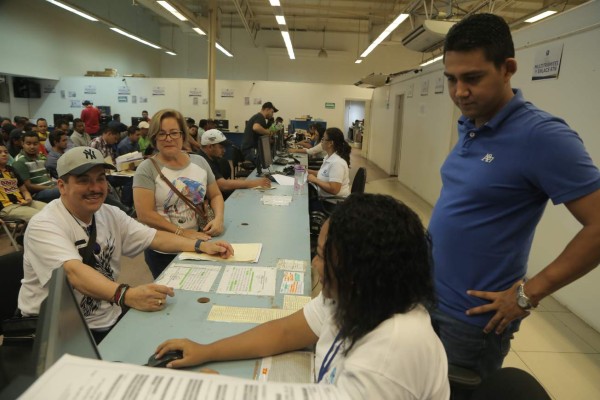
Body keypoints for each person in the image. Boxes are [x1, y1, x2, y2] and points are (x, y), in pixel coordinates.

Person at [427, 13, 600, 380]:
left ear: (508, 69)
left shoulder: (543, 136)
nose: (460, 92)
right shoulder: (471, 123)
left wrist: (529, 293)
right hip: (430, 301)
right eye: (451, 80)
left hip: (471, 324)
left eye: (472, 78)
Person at [155, 193, 450, 399]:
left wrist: (226, 392)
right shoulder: (358, 293)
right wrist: (207, 350)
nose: (314, 265)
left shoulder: (391, 352)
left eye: (321, 256)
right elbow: (283, 332)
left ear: (358, 271)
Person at [17, 146, 234, 343]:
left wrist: (198, 245)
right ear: (62, 186)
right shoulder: (44, 225)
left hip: (105, 317)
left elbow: (153, 237)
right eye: (84, 180)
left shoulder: (109, 213)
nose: (95, 187)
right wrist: (127, 295)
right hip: (59, 331)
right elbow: (74, 273)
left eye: (100, 178)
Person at [133, 109, 226, 278]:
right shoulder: (146, 169)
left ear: (183, 135)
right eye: (162, 134)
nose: (168, 138)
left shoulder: (199, 162)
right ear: (154, 137)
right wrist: (181, 233)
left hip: (199, 240)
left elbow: (216, 195)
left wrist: (219, 218)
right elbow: (145, 214)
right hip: (164, 250)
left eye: (174, 133)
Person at [198, 129, 271, 198]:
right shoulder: (201, 161)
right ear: (210, 147)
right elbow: (222, 185)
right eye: (221, 147)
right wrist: (253, 183)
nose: (224, 150)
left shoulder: (212, 158)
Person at [0, 144, 46, 222]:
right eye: (0, 152)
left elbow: (24, 190)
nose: (4, 154)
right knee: (41, 217)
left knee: (52, 210)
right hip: (7, 207)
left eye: (6, 152)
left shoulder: (12, 170)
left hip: (23, 202)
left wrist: (28, 198)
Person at [307, 127, 351, 207]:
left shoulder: (337, 163)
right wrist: (306, 170)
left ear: (331, 143)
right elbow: (323, 174)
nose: (321, 141)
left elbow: (334, 190)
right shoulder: (329, 157)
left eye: (323, 139)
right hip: (325, 198)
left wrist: (315, 180)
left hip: (333, 204)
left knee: (305, 204)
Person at [12, 131, 60, 202]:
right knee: (63, 190)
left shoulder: (40, 157)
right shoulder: (20, 161)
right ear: (23, 144)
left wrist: (57, 184)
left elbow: (47, 177)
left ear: (39, 144)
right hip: (36, 194)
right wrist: (51, 187)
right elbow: (28, 187)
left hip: (49, 187)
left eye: (35, 144)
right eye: (28, 144)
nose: (32, 147)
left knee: (70, 185)